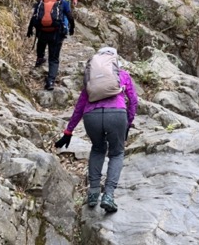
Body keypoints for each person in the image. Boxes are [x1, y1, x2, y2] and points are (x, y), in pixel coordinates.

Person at [54, 47, 138, 213]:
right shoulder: (123, 75)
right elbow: (133, 101)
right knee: (116, 153)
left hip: (91, 117)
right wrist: (128, 123)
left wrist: (68, 131)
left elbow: (80, 106)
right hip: (117, 114)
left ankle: (93, 193)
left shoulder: (91, 79)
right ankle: (108, 195)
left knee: (98, 149)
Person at [27, 0, 75, 90]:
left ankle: (40, 58)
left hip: (42, 31)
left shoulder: (41, 1)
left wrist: (30, 29)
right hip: (56, 32)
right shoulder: (62, 1)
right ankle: (50, 81)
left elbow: (34, 16)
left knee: (41, 43)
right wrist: (72, 27)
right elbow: (69, 16)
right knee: (53, 58)